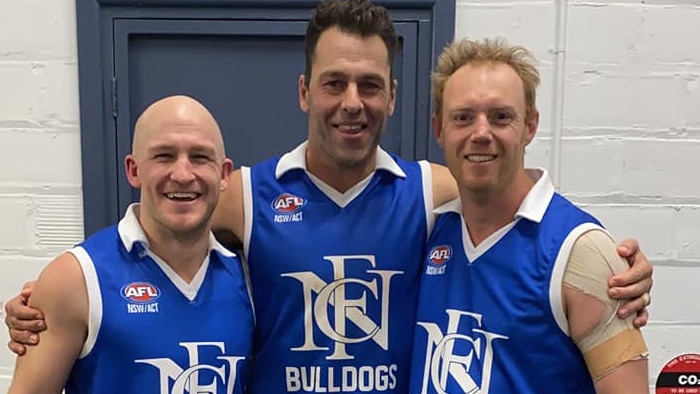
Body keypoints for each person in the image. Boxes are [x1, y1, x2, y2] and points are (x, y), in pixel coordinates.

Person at [5, 1, 653, 393]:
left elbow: (515, 197)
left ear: (393, 99)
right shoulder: (247, 196)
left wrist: (614, 268)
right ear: (304, 92)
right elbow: (161, 227)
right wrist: (53, 299)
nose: (352, 101)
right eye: (334, 82)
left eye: (370, 84)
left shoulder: (429, 191)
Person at [410, 38, 649, 393]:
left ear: (530, 126)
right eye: (463, 117)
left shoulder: (581, 253)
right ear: (439, 129)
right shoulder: (432, 226)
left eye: (501, 117)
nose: (481, 133)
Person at [7, 95, 254, 394]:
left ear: (224, 174)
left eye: (200, 157)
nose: (183, 174)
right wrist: (49, 295)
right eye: (164, 156)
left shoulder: (250, 278)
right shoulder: (76, 278)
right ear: (134, 170)